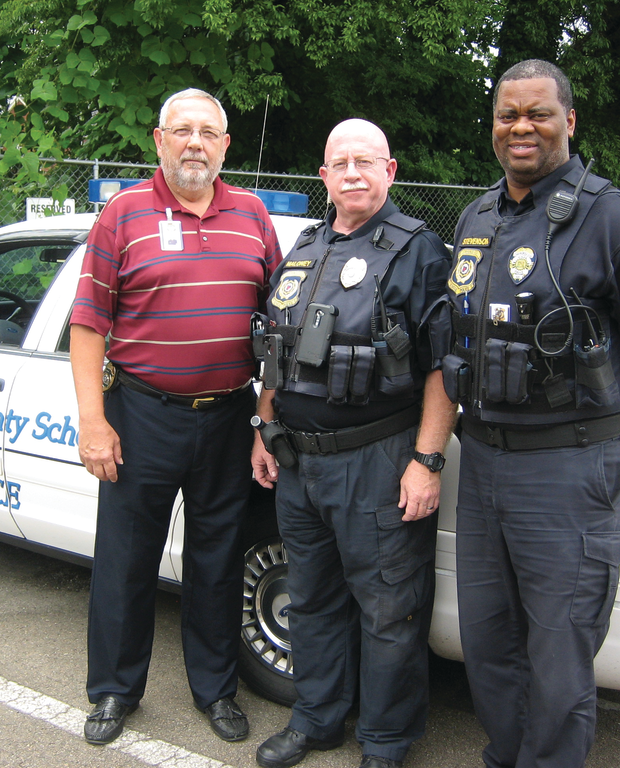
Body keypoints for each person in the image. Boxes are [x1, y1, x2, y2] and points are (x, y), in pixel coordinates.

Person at [438, 60, 620, 768]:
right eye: (507, 114)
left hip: (568, 471)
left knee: (558, 659)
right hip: (484, 461)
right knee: (488, 644)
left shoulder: (614, 220)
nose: (521, 126)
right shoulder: (478, 216)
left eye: (538, 113)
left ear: (569, 121)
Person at [69, 88, 282, 746]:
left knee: (217, 562)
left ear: (225, 146)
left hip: (226, 419)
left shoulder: (253, 215)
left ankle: (215, 690)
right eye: (181, 130)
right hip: (142, 415)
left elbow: (279, 329)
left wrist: (263, 420)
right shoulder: (123, 213)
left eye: (207, 132)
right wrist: (93, 420)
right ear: (158, 141)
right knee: (126, 560)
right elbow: (86, 325)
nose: (195, 142)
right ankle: (113, 689)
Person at [251, 119, 456, 768]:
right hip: (296, 461)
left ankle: (386, 743)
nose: (353, 174)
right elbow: (276, 353)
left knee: (388, 608)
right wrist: (263, 425)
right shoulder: (307, 248)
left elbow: (441, 367)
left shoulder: (418, 249)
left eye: (365, 162)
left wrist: (426, 462)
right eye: (340, 163)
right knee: (310, 598)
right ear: (324, 178)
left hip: (377, 461)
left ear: (390, 171)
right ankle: (316, 719)